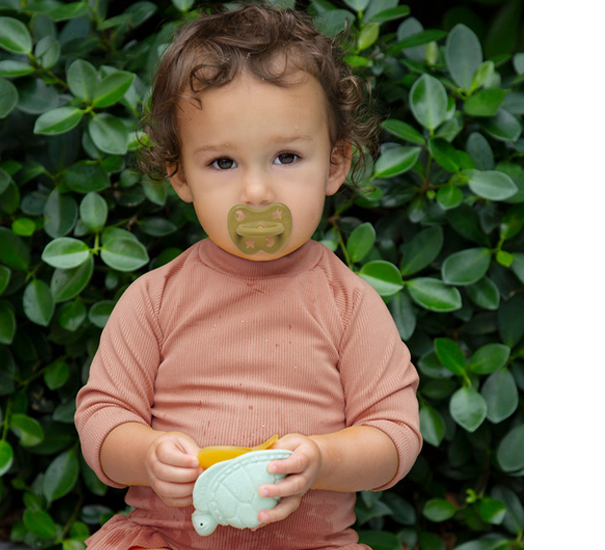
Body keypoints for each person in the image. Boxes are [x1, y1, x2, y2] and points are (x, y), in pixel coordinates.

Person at [75, 4, 422, 549]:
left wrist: (322, 458)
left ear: (334, 163)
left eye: (286, 157)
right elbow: (102, 416)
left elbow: (394, 435)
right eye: (222, 163)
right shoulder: (154, 300)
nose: (256, 192)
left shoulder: (348, 304)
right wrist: (145, 455)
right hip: (168, 538)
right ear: (180, 175)